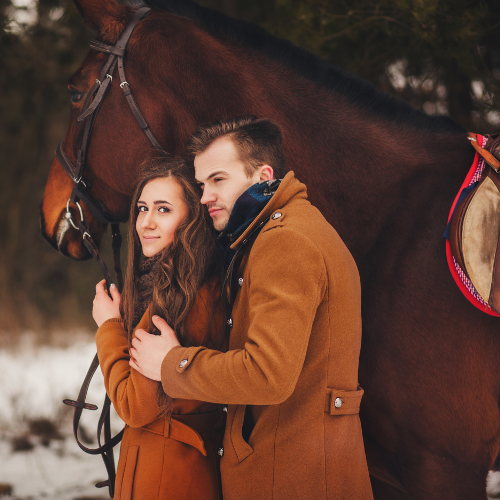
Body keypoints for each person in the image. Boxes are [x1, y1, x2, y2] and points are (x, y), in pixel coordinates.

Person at [130, 117, 374, 500]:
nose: (205, 195)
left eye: (219, 180)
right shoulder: (290, 229)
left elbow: (266, 373)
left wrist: (172, 363)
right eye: (201, 184)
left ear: (263, 175)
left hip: (291, 477)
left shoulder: (285, 242)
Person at [92, 157, 226, 500]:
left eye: (163, 210)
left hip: (168, 473)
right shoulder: (182, 284)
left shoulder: (178, 297)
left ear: (192, 219)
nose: (146, 223)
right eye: (142, 208)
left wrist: (108, 326)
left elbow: (134, 405)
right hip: (166, 465)